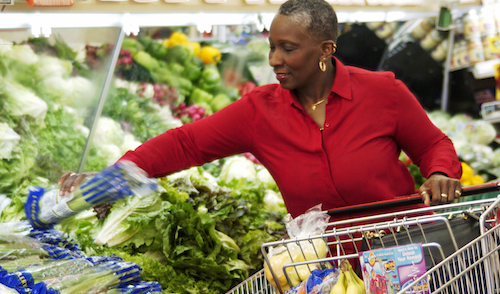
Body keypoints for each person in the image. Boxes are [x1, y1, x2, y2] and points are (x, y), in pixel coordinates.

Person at [59, 0, 462, 220]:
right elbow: (185, 143)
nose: (274, 60)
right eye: (271, 46)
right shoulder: (259, 110)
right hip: (319, 264)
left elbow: (433, 145)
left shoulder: (381, 92)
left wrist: (441, 173)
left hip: (402, 247)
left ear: (325, 50)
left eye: (288, 48)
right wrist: (118, 173)